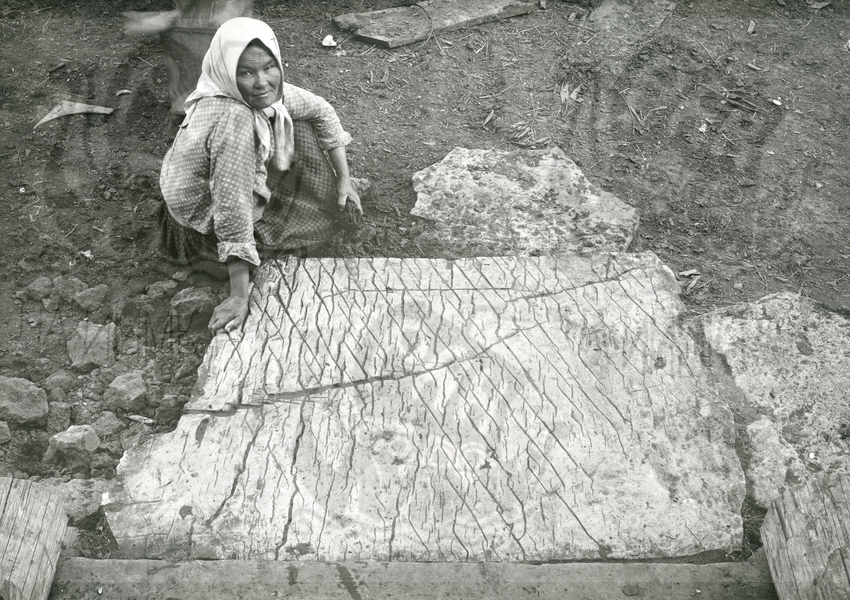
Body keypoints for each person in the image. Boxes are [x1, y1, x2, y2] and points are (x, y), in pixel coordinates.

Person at [158, 17, 362, 336]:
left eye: (268, 67)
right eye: (246, 72)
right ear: (227, 73)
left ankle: (293, 197)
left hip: (232, 180)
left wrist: (344, 179)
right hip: (203, 221)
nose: (262, 82)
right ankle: (242, 261)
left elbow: (321, 110)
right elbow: (232, 214)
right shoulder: (232, 122)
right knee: (316, 226)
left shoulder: (263, 95)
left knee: (301, 126)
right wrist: (239, 295)